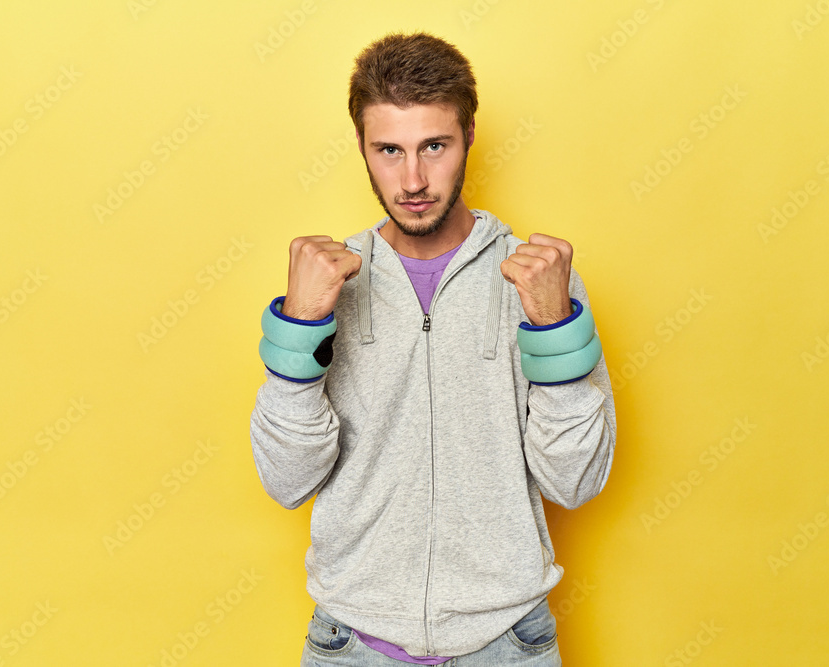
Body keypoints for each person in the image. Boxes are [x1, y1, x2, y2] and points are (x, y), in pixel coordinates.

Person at [250, 32, 616, 666]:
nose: (413, 179)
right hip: (351, 644)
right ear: (361, 147)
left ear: (469, 136)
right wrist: (303, 322)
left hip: (505, 643)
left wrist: (554, 326)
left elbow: (576, 483)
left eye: (434, 147)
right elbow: (285, 482)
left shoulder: (538, 281)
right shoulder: (329, 281)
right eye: (388, 150)